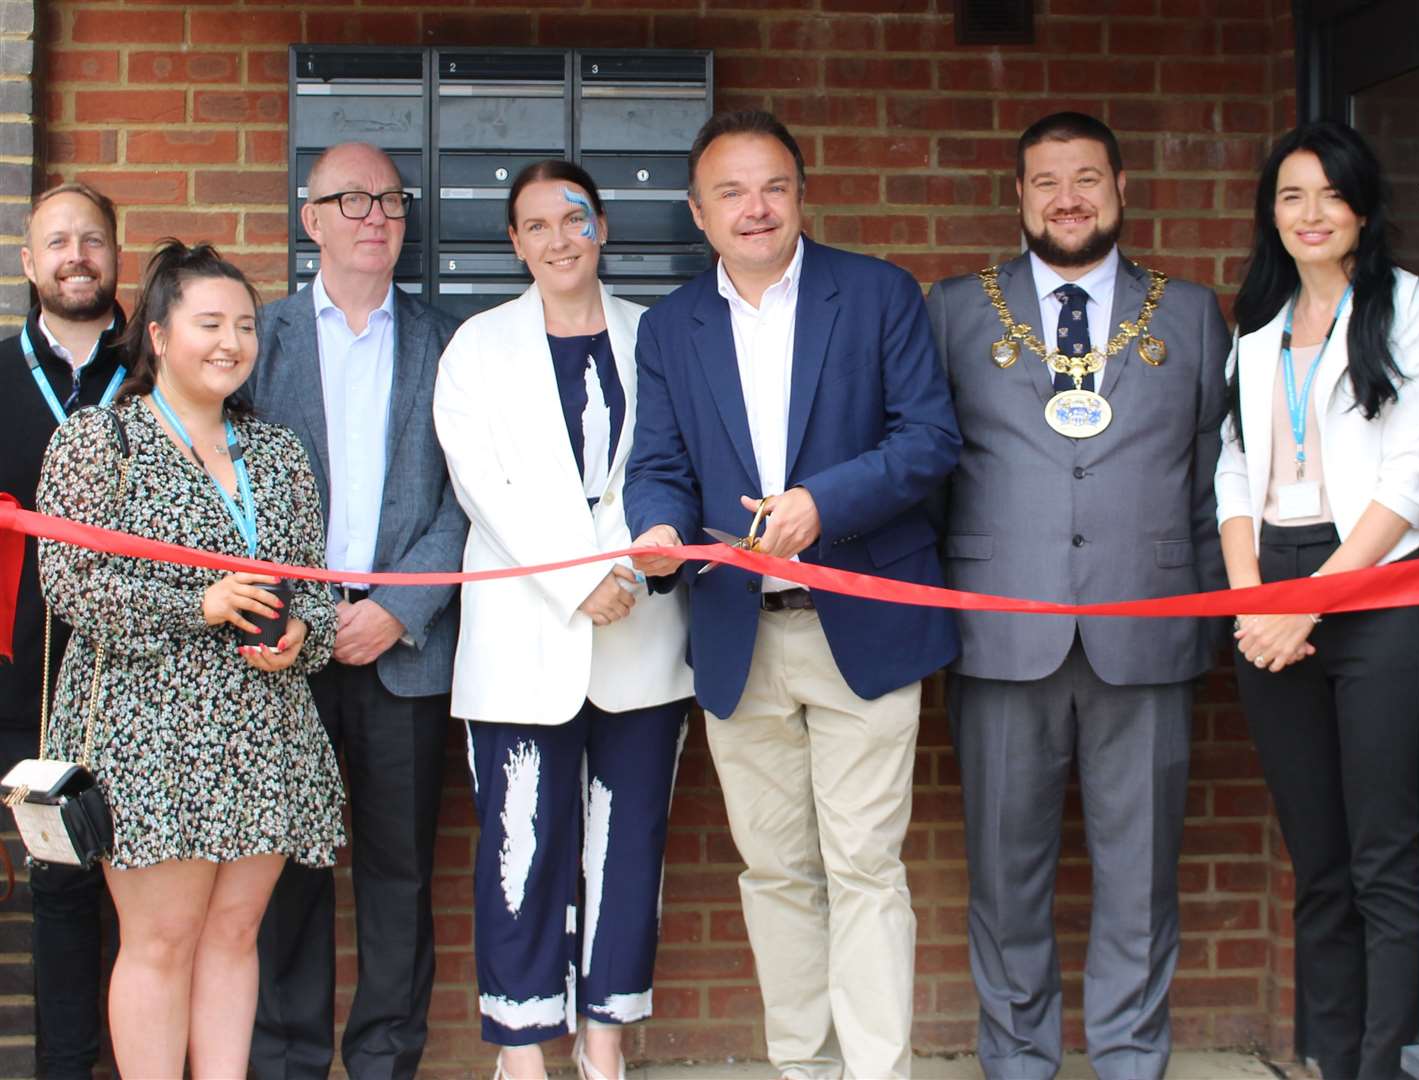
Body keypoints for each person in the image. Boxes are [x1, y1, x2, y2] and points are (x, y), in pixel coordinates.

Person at [625, 109, 961, 1080]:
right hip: (739, 635)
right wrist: (656, 531)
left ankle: (875, 1071)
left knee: (864, 868)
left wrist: (823, 504)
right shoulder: (670, 327)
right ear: (698, 211)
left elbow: (928, 440)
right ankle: (802, 1069)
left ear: (801, 194)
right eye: (730, 191)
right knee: (774, 872)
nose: (755, 207)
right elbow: (659, 464)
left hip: (864, 624)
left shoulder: (879, 293)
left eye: (772, 185)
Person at [926, 112, 1229, 1080]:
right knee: (1005, 879)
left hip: (1146, 634)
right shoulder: (954, 312)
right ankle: (1018, 1060)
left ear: (1121, 188)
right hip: (1001, 635)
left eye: (1087, 178)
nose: (1068, 198)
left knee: (1141, 877)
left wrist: (1208, 614)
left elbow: (1212, 479)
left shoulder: (1187, 314)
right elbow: (927, 478)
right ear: (1018, 196)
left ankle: (1131, 1058)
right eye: (1047, 181)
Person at [34, 239, 345, 1078]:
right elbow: (70, 585)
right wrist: (197, 602)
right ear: (160, 336)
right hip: (149, 736)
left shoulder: (278, 454)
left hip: (263, 730)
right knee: (161, 941)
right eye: (209, 323)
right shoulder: (100, 442)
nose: (230, 342)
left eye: (244, 326)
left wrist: (301, 637)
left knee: (234, 935)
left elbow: (316, 589)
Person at [433, 159, 693, 1080]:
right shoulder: (476, 346)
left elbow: (672, 461)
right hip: (522, 630)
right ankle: (522, 1043)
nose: (556, 240)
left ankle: (606, 1037)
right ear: (513, 243)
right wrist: (578, 578)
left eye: (573, 219)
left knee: (629, 848)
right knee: (523, 847)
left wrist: (619, 569)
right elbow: (485, 487)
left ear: (603, 227)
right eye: (535, 225)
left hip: (641, 632)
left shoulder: (656, 335)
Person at [245, 140, 466, 1080]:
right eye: (351, 199)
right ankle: (286, 1060)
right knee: (285, 872)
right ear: (313, 220)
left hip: (401, 644)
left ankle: (385, 1061)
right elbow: (230, 491)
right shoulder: (258, 339)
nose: (374, 215)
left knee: (398, 876)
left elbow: (473, 500)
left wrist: (399, 607)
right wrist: (295, 612)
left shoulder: (451, 342)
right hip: (284, 645)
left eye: (389, 200)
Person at [1215, 120, 1419, 1080]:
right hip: (1274, 586)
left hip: (1379, 584)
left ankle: (1384, 1066)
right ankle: (1330, 1062)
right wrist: (1255, 598)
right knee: (1319, 863)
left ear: (1363, 209)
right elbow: (1230, 472)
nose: (1310, 213)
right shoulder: (1254, 334)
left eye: (1329, 195)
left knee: (1384, 862)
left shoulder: (1413, 308)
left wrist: (1315, 601)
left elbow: (1413, 478)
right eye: (1291, 195)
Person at [0, 180, 125, 1079]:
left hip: (145, 672)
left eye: (91, 239)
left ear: (116, 256)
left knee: (145, 898)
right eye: (57, 241)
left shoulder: (159, 368)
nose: (75, 255)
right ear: (28, 262)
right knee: (57, 891)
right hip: (25, 677)